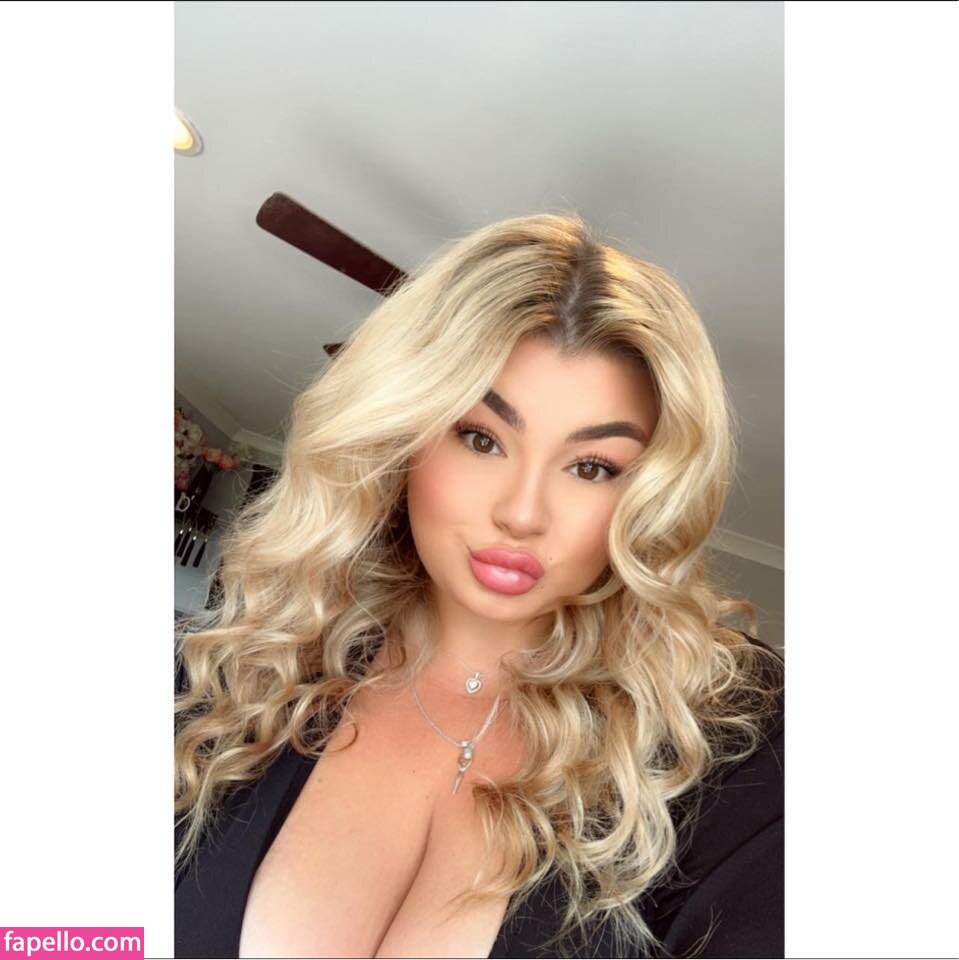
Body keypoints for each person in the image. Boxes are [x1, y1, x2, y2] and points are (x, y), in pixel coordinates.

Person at [174, 212, 784, 959]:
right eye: (480, 437)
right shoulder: (230, 679)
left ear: (652, 496)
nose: (522, 513)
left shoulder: (739, 748)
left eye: (592, 467)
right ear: (400, 434)